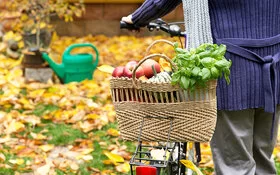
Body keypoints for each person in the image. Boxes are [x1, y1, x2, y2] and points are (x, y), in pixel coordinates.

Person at [121, 0, 280, 174]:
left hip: (231, 73)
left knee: (235, 164)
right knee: (263, 157)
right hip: (274, 69)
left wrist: (136, 18)